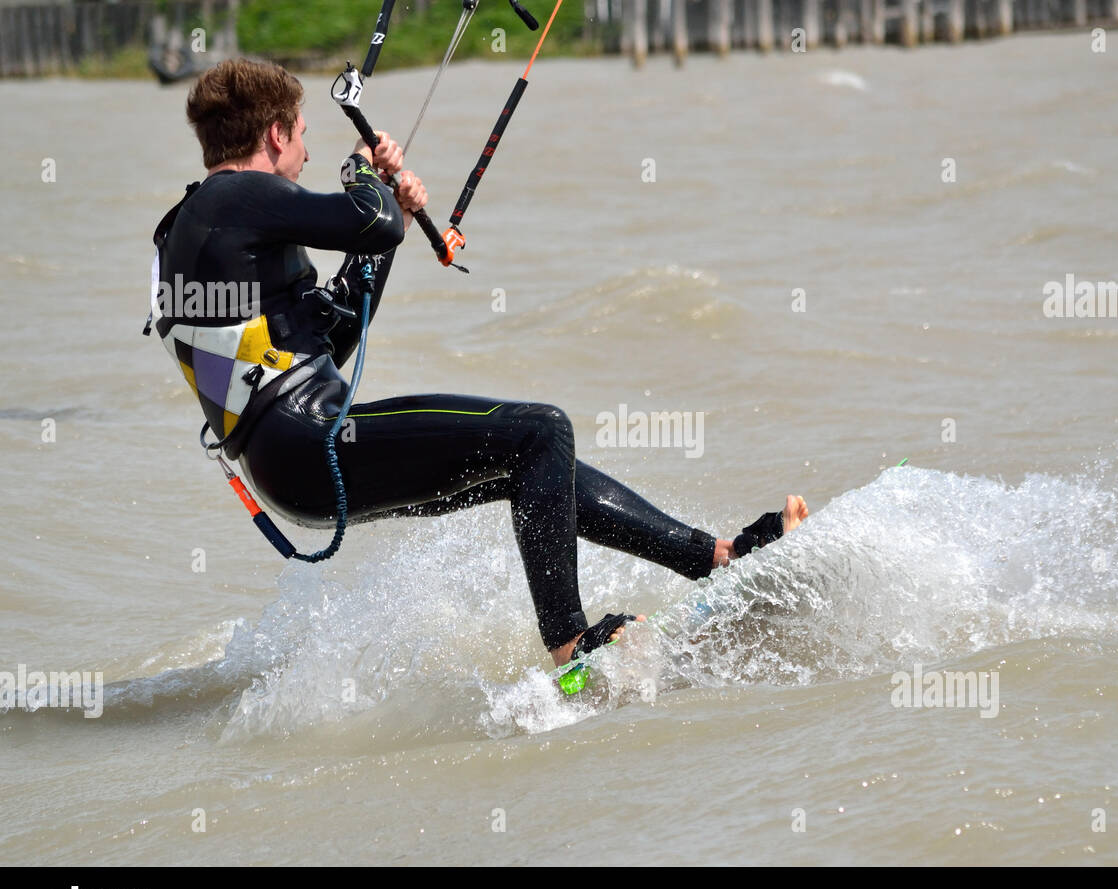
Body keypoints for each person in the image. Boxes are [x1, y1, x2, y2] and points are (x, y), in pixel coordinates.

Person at [151, 58, 809, 667]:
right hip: (308, 441)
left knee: (534, 467)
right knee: (542, 429)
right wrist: (365, 176)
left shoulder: (211, 222)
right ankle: (572, 645)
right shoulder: (230, 199)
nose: (307, 152)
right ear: (274, 134)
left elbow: (336, 328)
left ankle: (715, 557)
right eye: (301, 136)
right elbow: (366, 220)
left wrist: (390, 219)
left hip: (297, 458)